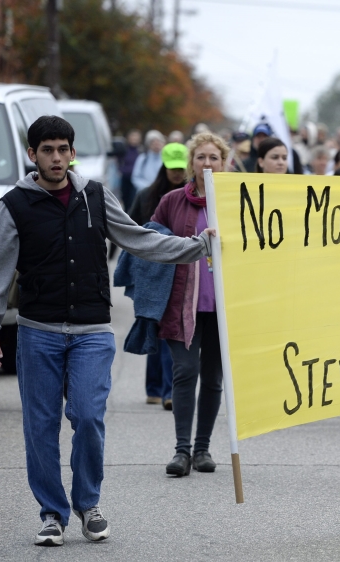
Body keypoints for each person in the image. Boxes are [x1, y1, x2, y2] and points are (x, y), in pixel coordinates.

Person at [0, 116, 214, 546]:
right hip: (37, 330)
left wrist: (197, 246)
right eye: (46, 150)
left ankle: (88, 503)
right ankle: (52, 513)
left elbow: (139, 239)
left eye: (63, 149)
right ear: (33, 155)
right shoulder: (14, 205)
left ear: (72, 152)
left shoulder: (95, 197)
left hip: (91, 331)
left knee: (87, 417)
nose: (56, 157)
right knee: (41, 427)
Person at [151, 132, 229, 478]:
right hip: (182, 305)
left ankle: (202, 449)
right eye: (201, 158)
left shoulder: (236, 201)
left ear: (224, 163)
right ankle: (181, 451)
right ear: (190, 163)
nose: (207, 164)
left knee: (213, 378)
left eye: (214, 158)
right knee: (185, 372)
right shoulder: (172, 201)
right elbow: (151, 246)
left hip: (224, 309)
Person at [127, 142, 189, 410]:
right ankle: (154, 388)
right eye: (172, 167)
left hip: (179, 266)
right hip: (150, 268)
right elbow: (129, 226)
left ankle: (167, 390)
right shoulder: (146, 195)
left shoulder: (189, 195)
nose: (177, 172)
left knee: (166, 328)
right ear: (164, 165)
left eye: (180, 167)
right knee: (152, 323)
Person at [131, 130, 166, 196]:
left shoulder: (166, 159)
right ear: (148, 144)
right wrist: (148, 187)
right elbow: (135, 177)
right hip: (145, 194)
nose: (156, 144)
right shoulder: (143, 158)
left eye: (158, 141)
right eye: (153, 142)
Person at [119, 129, 142, 208]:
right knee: (125, 198)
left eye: (136, 137)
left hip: (135, 179)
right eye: (133, 137)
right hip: (125, 177)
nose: (134, 139)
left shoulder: (141, 151)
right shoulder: (124, 150)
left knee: (132, 199)